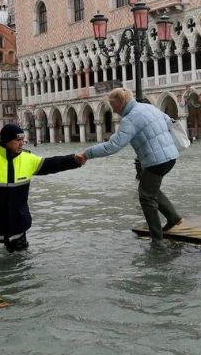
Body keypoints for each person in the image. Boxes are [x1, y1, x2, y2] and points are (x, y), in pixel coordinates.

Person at [0, 124, 86, 255]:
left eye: (23, 140)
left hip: (17, 225)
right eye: (18, 140)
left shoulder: (28, 159)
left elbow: (52, 164)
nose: (22, 143)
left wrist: (74, 160)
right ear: (6, 141)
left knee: (21, 265)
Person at [77, 88, 182, 242]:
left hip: (156, 161)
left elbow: (112, 146)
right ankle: (173, 218)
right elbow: (168, 121)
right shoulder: (148, 107)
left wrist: (87, 153)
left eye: (114, 107)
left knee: (146, 197)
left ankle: (157, 239)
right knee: (150, 189)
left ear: (120, 103)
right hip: (170, 156)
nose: (114, 111)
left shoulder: (130, 119)